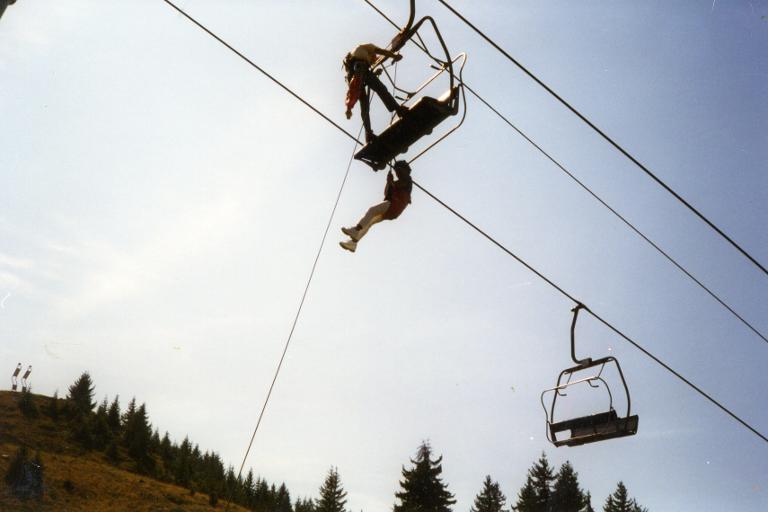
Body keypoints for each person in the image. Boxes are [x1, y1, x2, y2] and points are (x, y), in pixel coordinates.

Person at [340, 160, 412, 253]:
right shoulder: (399, 181)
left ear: (403, 170)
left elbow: (399, 185)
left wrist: (391, 181)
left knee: (372, 210)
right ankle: (353, 243)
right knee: (369, 222)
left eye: (398, 170)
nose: (397, 173)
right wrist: (388, 182)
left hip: (394, 205)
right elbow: (386, 193)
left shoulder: (407, 179)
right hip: (393, 210)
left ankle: (356, 229)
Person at [344, 43, 408, 143]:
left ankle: (368, 134)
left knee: (364, 104)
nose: (373, 61)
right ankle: (398, 109)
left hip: (354, 73)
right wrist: (395, 56)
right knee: (381, 89)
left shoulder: (355, 55)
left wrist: (349, 107)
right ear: (372, 55)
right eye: (373, 60)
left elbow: (355, 86)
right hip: (360, 67)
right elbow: (382, 51)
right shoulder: (367, 48)